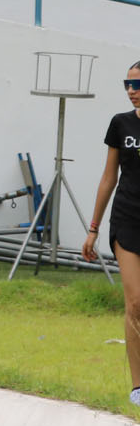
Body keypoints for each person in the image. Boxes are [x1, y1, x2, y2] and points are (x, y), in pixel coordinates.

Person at [82, 62, 140, 408]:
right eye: (128, 85)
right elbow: (108, 178)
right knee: (136, 302)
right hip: (127, 220)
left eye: (138, 84)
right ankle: (138, 386)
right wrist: (93, 228)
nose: (132, 90)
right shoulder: (121, 124)